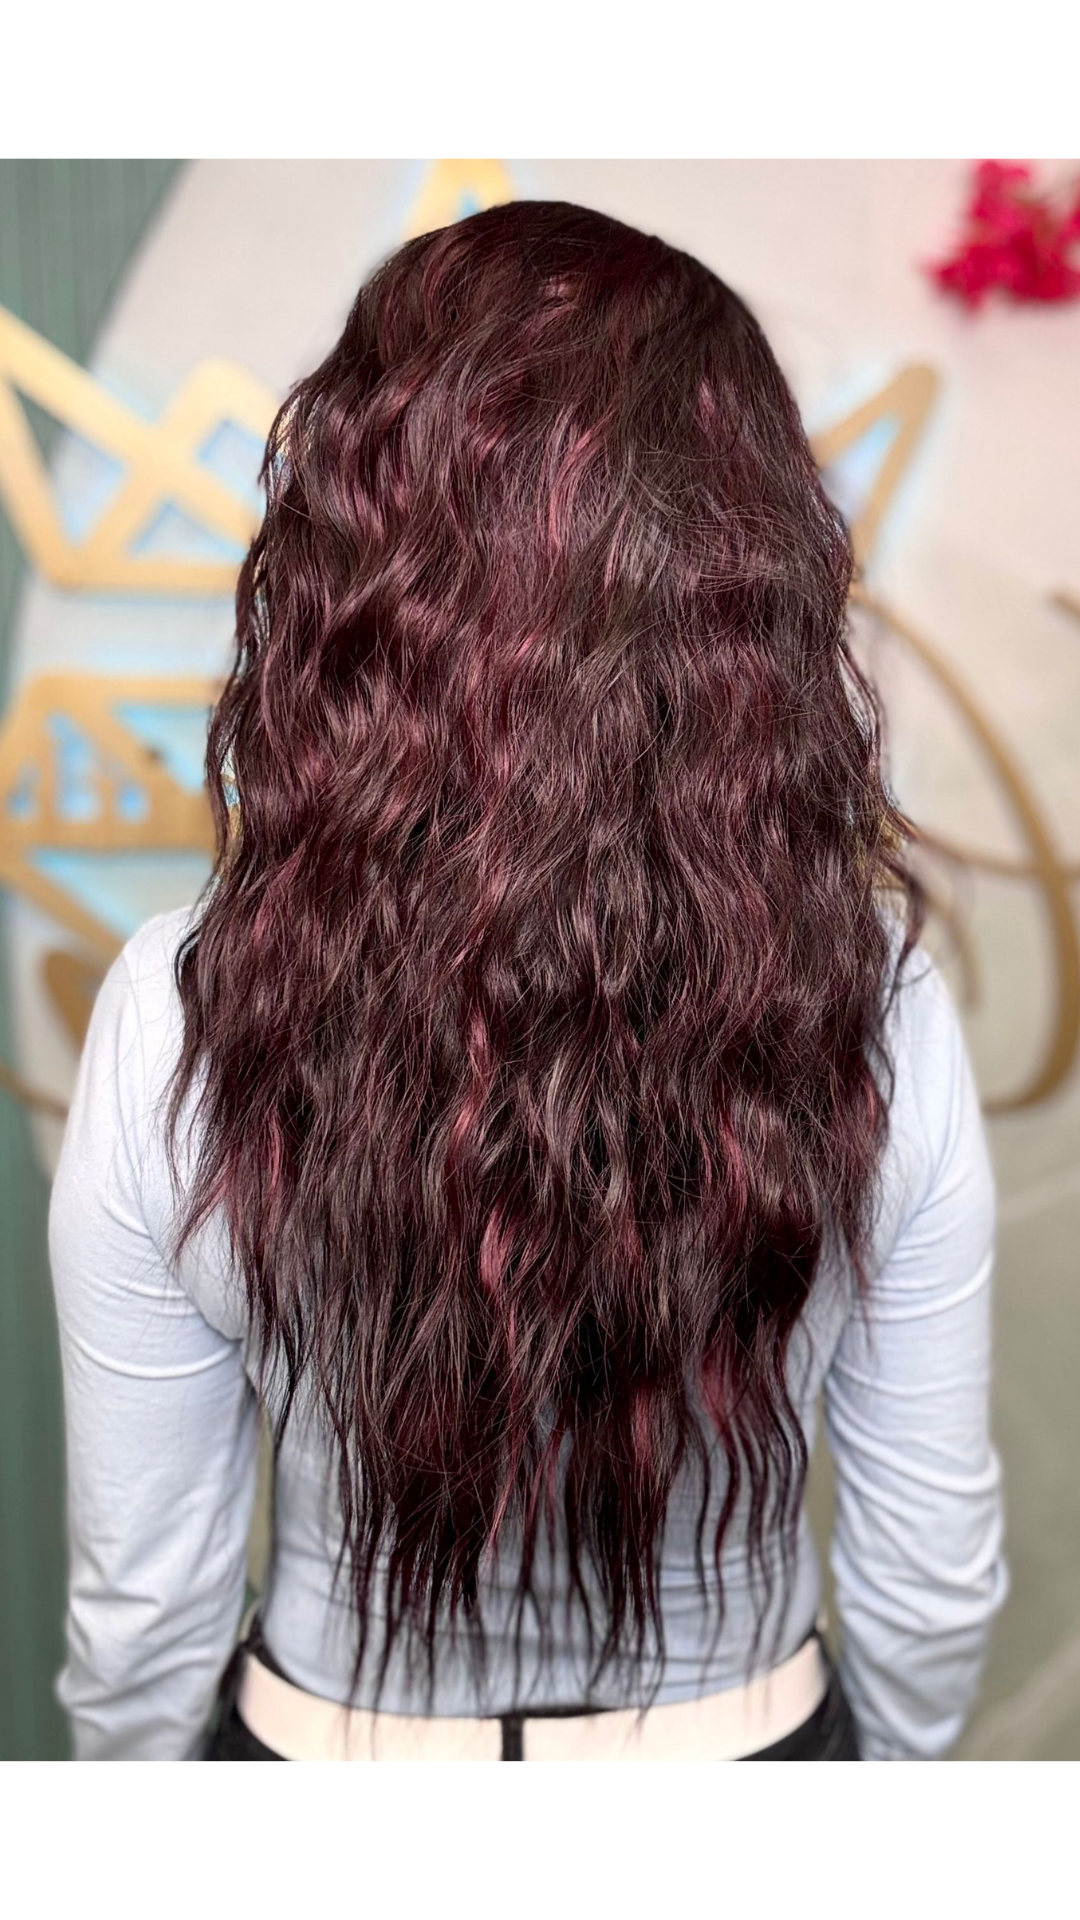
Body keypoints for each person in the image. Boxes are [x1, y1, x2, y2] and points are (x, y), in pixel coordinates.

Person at [49, 201, 1005, 1762]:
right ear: (746, 585)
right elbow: (930, 1574)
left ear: (351, 575)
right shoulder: (874, 1009)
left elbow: (144, 1605)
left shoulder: (179, 1010)